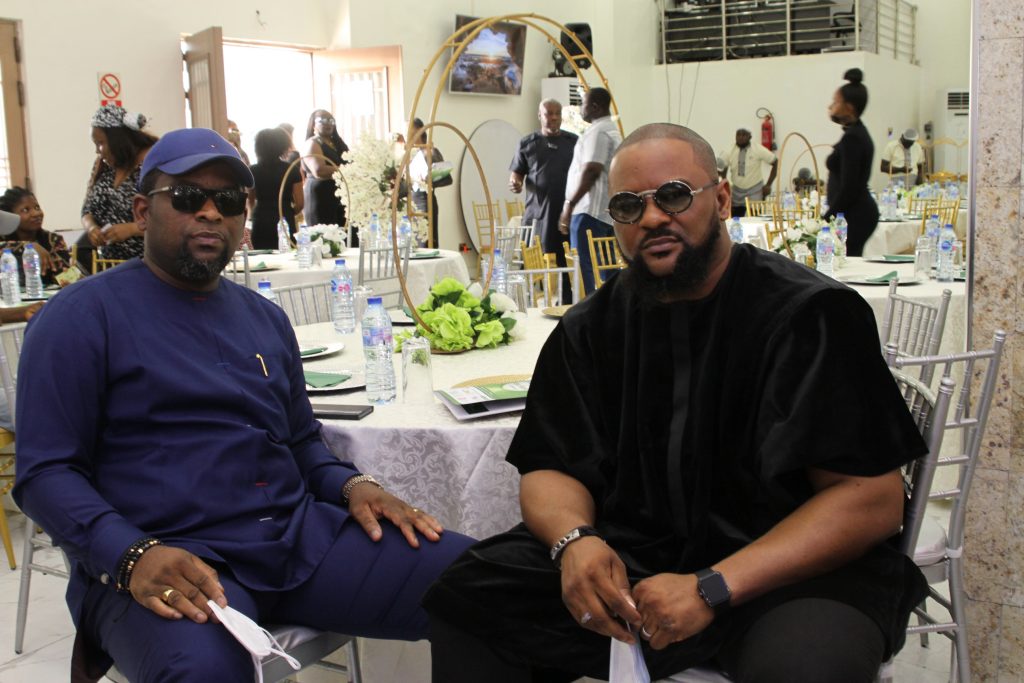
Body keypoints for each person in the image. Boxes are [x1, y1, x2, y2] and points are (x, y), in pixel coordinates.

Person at [423, 122, 929, 683]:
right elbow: (550, 465)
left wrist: (713, 586)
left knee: (805, 669)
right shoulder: (591, 327)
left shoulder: (810, 317)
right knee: (469, 599)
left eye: (673, 195)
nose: (652, 218)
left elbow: (870, 500)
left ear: (722, 199)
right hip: (633, 557)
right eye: (628, 205)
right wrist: (575, 542)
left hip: (788, 572)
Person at [12, 127, 475, 682]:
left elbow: (301, 442)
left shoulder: (264, 319)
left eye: (229, 199)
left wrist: (354, 486)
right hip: (168, 557)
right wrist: (130, 554)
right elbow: (45, 473)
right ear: (142, 211)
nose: (210, 212)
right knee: (205, 671)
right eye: (188, 196)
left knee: (489, 585)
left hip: (296, 542)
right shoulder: (80, 318)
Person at [509, 98, 578, 299]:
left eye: (557, 113)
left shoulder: (574, 142)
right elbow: (516, 174)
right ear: (540, 115)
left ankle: (566, 299)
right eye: (549, 114)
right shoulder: (527, 143)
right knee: (530, 257)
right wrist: (515, 183)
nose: (554, 118)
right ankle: (526, 298)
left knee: (565, 257)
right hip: (537, 212)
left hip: (566, 211)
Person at [558, 87, 622, 295]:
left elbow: (591, 170)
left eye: (583, 104)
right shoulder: (612, 129)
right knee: (606, 265)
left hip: (589, 210)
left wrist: (570, 205)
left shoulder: (598, 132)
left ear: (594, 107)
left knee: (583, 266)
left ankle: (587, 307)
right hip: (604, 211)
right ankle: (611, 305)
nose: (580, 109)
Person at [81, 105, 158, 270]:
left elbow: (171, 220)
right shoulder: (104, 165)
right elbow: (87, 210)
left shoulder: (154, 164)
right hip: (110, 267)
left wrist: (132, 229)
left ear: (117, 140)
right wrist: (91, 228)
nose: (97, 151)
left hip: (147, 267)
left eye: (100, 143)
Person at [822, 68, 879, 257]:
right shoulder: (855, 132)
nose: (831, 106)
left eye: (836, 102)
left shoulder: (853, 138)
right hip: (854, 211)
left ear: (849, 107)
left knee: (847, 260)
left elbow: (850, 187)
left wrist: (827, 217)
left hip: (855, 214)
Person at [0, 187, 78, 286]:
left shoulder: (53, 240)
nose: (36, 213)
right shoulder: (3, 238)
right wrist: (27, 246)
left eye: (37, 207)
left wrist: (68, 277)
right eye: (25, 210)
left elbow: (69, 277)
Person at [247, 128, 303, 249]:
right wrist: (289, 212)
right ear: (282, 146)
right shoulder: (291, 170)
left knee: (261, 254)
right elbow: (300, 203)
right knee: (287, 253)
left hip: (261, 218)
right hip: (284, 217)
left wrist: (252, 216)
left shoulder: (252, 170)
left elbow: (249, 200)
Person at [301, 109, 349, 228]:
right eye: (323, 120)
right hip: (321, 198)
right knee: (323, 237)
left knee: (346, 235)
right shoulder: (312, 143)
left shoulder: (337, 143)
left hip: (340, 198)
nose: (328, 123)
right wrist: (347, 170)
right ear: (313, 124)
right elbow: (319, 170)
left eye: (331, 120)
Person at [408, 118, 448, 248]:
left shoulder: (430, 151)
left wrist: (427, 180)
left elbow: (446, 177)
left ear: (419, 131)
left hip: (426, 203)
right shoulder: (410, 154)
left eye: (410, 130)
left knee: (427, 245)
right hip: (412, 205)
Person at [721, 128, 777, 217]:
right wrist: (724, 185)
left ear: (750, 137)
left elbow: (775, 162)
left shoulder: (757, 149)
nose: (740, 137)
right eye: (738, 134)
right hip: (736, 190)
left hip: (755, 190)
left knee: (755, 217)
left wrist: (768, 185)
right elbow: (721, 167)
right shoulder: (729, 150)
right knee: (735, 218)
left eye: (744, 135)